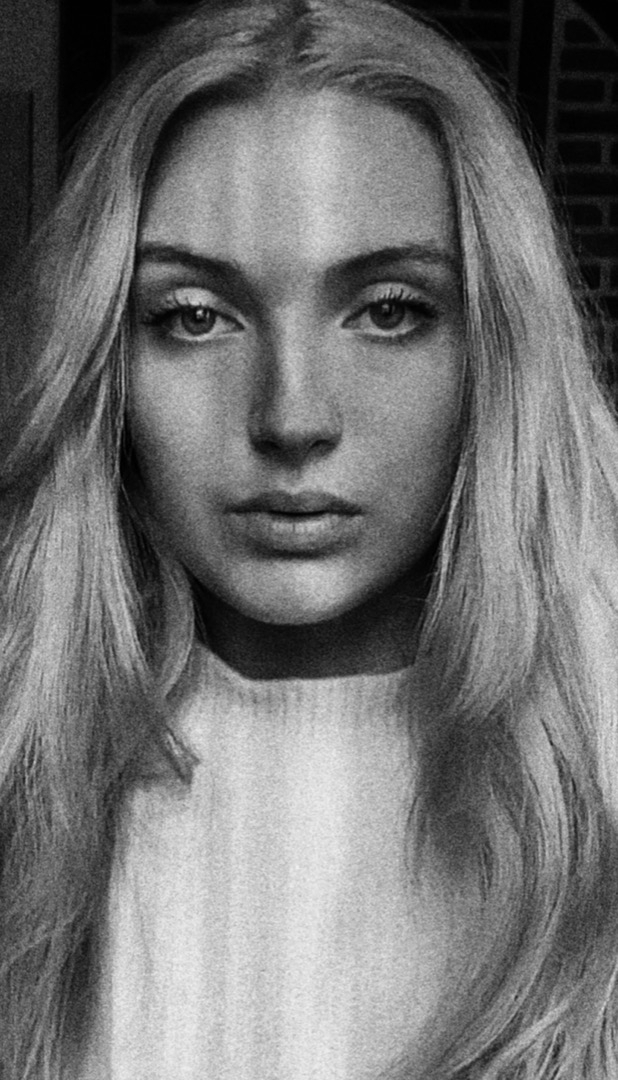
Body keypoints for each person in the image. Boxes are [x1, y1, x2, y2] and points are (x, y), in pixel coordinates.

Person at [1, 0, 618, 1076]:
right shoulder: (25, 755)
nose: (292, 417)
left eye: (388, 310)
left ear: (496, 352)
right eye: (196, 316)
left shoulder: (597, 769)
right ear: (105, 363)